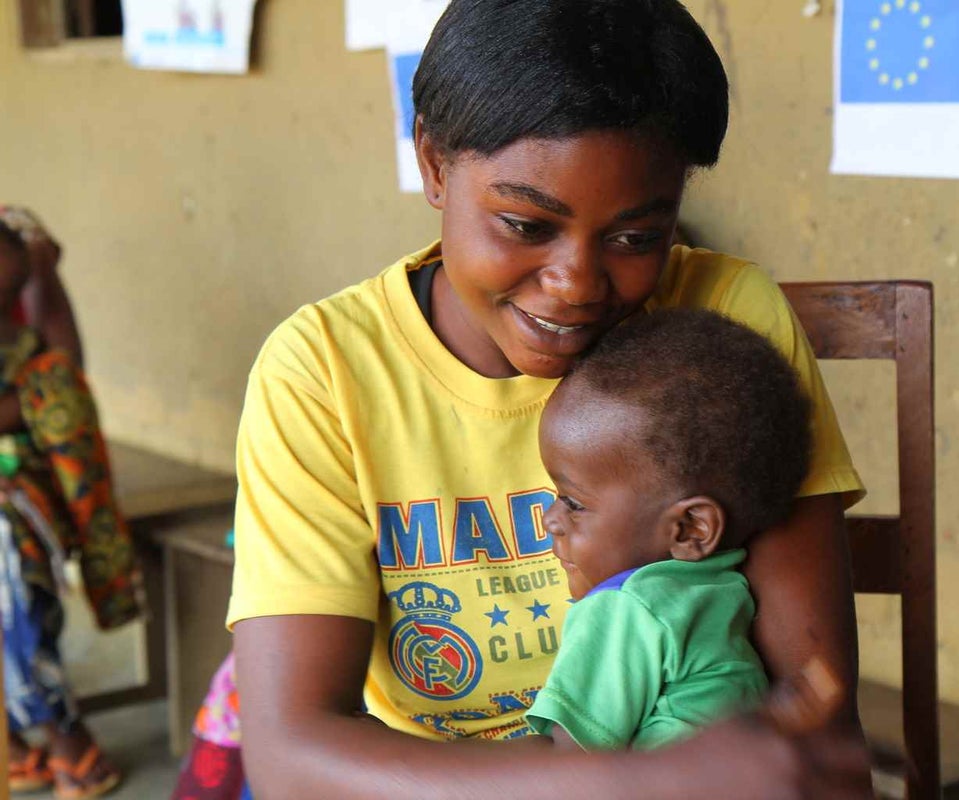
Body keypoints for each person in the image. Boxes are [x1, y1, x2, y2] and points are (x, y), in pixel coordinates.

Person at [229, 1, 872, 797]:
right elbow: (290, 758)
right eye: (525, 224)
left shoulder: (722, 320)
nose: (576, 285)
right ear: (433, 162)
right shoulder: (323, 372)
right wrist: (630, 785)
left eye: (636, 238)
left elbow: (816, 718)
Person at [525, 308, 816, 750]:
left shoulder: (627, 609)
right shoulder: (723, 589)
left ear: (690, 529)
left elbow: (564, 761)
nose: (550, 518)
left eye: (574, 503)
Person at [0, 208, 138, 798]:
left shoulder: (27, 346)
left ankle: (45, 738)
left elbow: (62, 366)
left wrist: (41, 271)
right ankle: (47, 740)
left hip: (24, 501)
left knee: (13, 553)